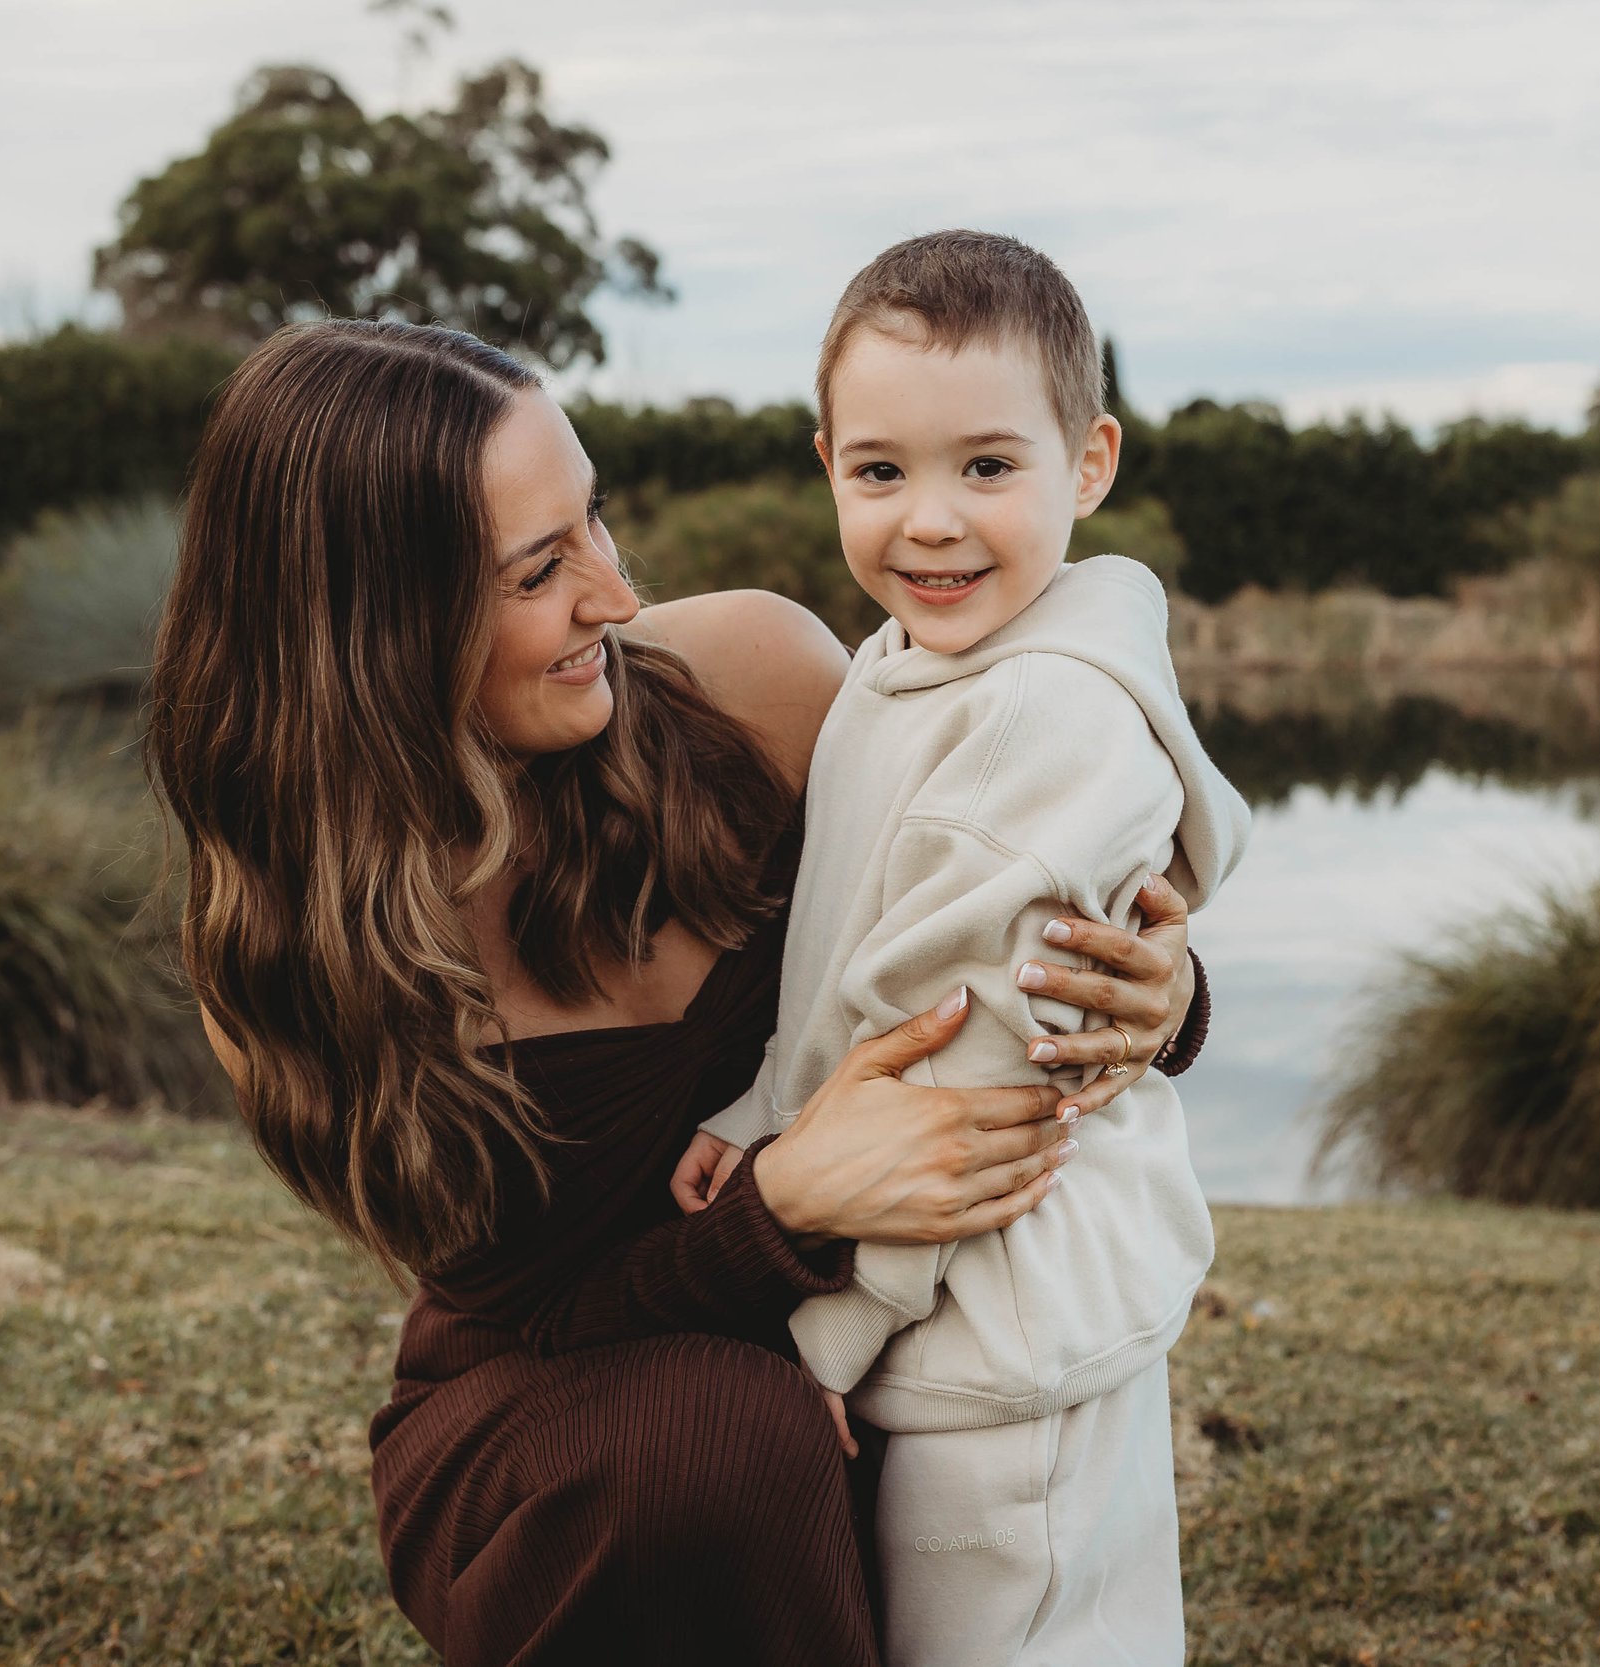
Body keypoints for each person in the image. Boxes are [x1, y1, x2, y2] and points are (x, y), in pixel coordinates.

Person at [140, 316, 1217, 1667]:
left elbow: (987, 899)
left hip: (871, 1332)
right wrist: (780, 1211)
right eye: (539, 570)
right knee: (719, 1440)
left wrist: (1155, 994)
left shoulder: (754, 685)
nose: (611, 594)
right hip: (572, 1418)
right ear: (382, 627)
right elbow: (534, 1310)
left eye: (595, 517)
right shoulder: (312, 950)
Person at [680, 231, 1248, 1666]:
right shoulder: (905, 668)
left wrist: (825, 1327)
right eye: (882, 472)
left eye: (987, 468)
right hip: (954, 1316)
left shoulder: (1048, 718)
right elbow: (859, 960)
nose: (929, 522)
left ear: (1091, 462)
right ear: (827, 466)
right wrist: (757, 1118)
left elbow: (977, 1064)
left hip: (1006, 1325)